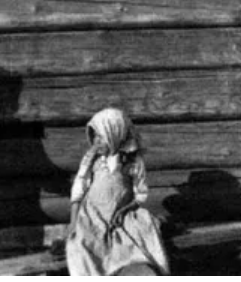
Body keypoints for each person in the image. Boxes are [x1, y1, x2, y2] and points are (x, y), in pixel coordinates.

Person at [66, 108, 170, 276]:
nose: (96, 142)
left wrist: (125, 209)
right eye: (94, 137)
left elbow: (141, 193)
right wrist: (73, 220)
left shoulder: (132, 162)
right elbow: (80, 186)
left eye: (101, 137)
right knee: (81, 245)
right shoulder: (92, 159)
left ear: (114, 135)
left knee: (133, 243)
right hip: (93, 214)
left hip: (121, 214)